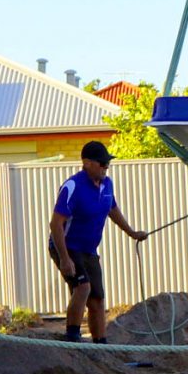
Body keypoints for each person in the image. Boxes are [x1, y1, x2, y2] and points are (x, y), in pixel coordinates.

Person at [49, 140, 149, 342]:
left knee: (97, 298)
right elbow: (55, 224)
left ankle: (100, 343)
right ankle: (72, 336)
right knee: (82, 288)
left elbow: (112, 210)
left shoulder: (107, 185)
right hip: (67, 246)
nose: (106, 167)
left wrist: (132, 232)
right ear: (87, 163)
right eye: (102, 163)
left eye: (107, 163)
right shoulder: (73, 186)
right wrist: (65, 259)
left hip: (89, 250)